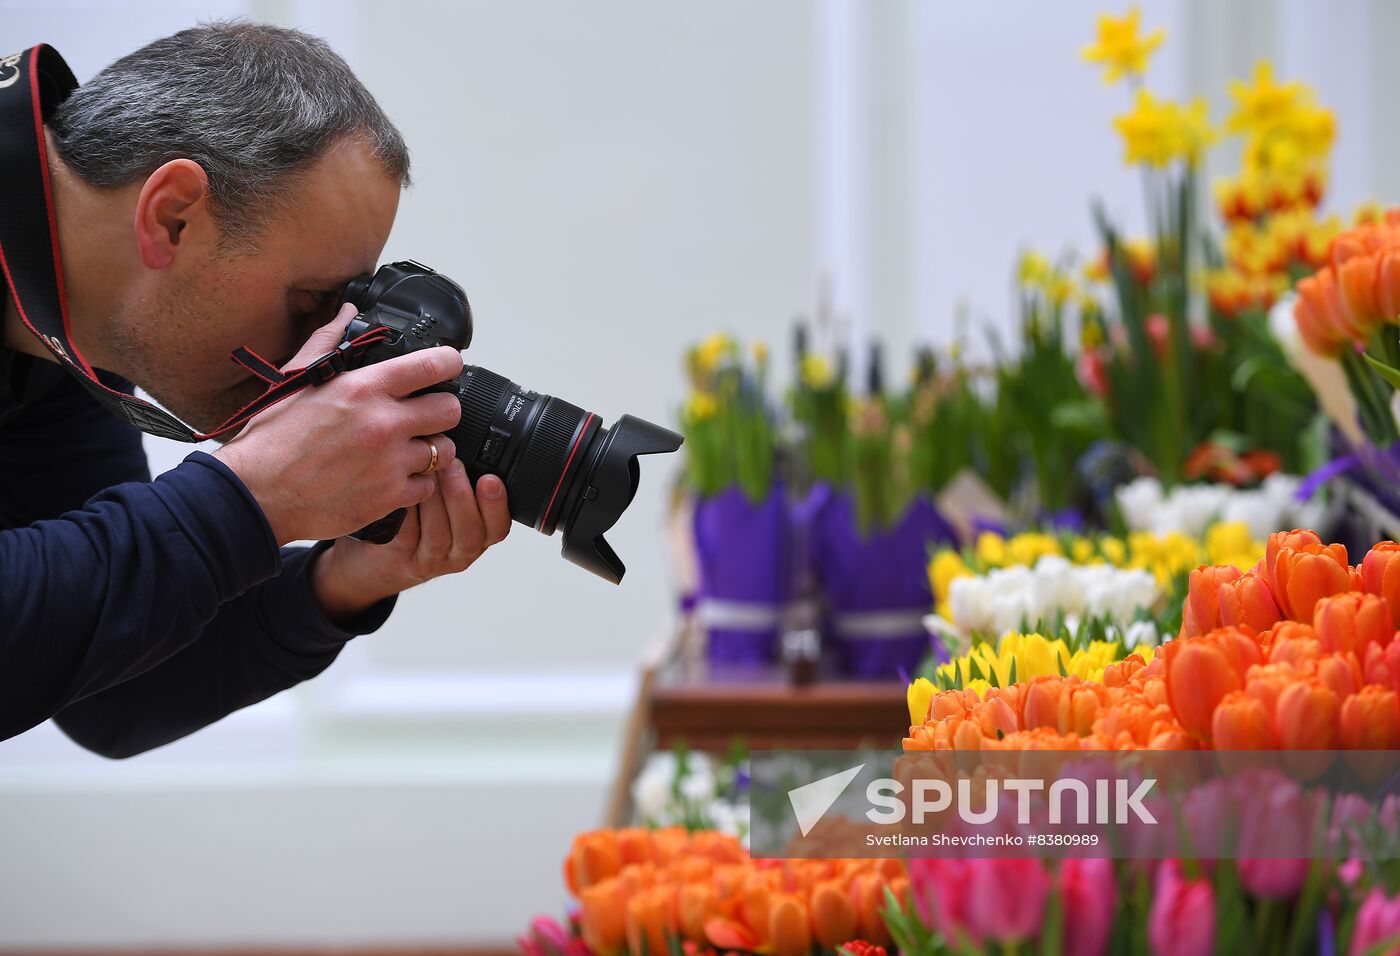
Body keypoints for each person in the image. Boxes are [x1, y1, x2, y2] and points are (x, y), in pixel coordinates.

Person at [0, 23, 511, 756]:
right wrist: (252, 497)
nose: (323, 352)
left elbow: (109, 692)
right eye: (310, 303)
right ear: (172, 216)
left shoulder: (67, 312)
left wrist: (338, 582)